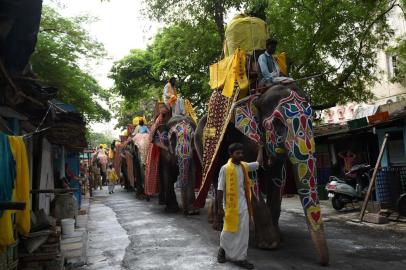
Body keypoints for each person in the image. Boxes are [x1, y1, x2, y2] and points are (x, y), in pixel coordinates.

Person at [217, 143, 263, 269]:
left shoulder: (244, 166)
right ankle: (222, 250)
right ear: (231, 154)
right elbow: (220, 189)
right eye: (238, 153)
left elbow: (258, 164)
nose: (241, 155)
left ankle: (241, 258)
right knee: (228, 231)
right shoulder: (225, 169)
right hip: (230, 206)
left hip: (243, 205)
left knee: (243, 233)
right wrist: (219, 207)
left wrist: (260, 149)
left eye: (241, 153)